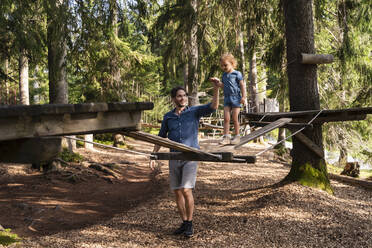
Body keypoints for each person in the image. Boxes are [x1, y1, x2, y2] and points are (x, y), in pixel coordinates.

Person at [149, 83, 220, 238]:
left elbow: (213, 106)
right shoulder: (168, 116)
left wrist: (216, 89)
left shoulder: (194, 111)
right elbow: (161, 137)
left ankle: (190, 223)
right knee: (176, 191)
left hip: (191, 157)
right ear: (174, 99)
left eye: (184, 95)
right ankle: (184, 222)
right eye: (179, 96)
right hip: (173, 157)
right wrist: (154, 155)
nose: (183, 98)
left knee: (186, 189)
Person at [209, 53, 247, 145]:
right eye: (222, 66)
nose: (223, 67)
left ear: (232, 63)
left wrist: (243, 97)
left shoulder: (237, 74)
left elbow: (242, 85)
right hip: (227, 98)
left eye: (225, 65)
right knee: (226, 118)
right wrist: (217, 82)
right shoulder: (224, 75)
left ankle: (237, 136)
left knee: (234, 118)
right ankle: (226, 137)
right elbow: (223, 86)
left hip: (236, 98)